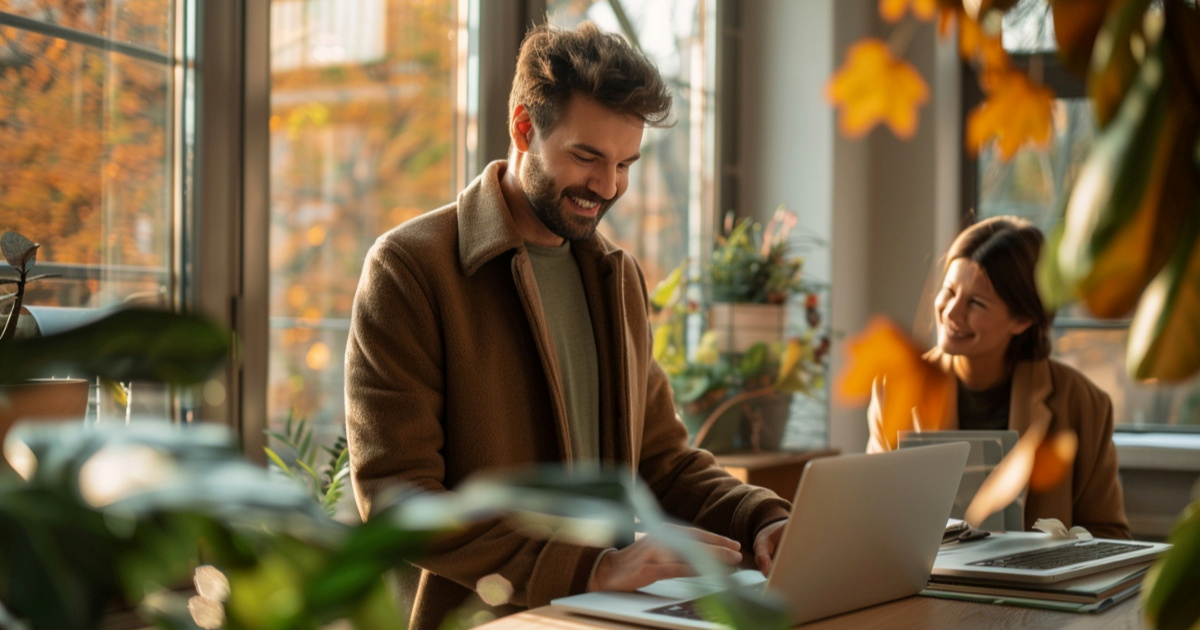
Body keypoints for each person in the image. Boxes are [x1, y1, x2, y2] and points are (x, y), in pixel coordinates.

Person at [345, 21, 790, 630]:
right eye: (587, 157)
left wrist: (764, 519)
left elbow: (660, 459)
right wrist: (593, 569)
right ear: (524, 128)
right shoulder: (410, 268)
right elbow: (398, 498)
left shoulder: (617, 277)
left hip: (604, 618)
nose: (608, 187)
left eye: (625, 164)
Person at [867, 216, 1131, 540]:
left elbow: (1110, 536)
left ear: (1023, 319)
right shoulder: (893, 389)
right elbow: (875, 520)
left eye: (975, 303)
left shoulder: (1084, 404)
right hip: (929, 585)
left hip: (1038, 590)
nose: (951, 313)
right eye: (949, 292)